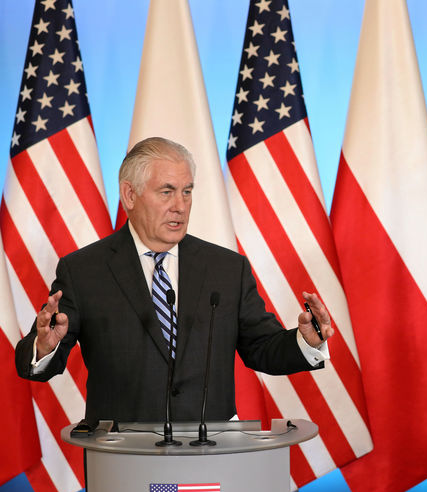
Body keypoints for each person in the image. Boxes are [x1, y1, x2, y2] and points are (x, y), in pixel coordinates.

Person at [15, 137, 333, 424]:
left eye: (187, 191)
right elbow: (37, 358)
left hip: (209, 450)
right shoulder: (84, 271)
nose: (179, 206)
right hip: (122, 459)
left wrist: (307, 340)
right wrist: (43, 347)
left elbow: (262, 348)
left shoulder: (226, 268)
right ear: (130, 194)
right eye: (166, 191)